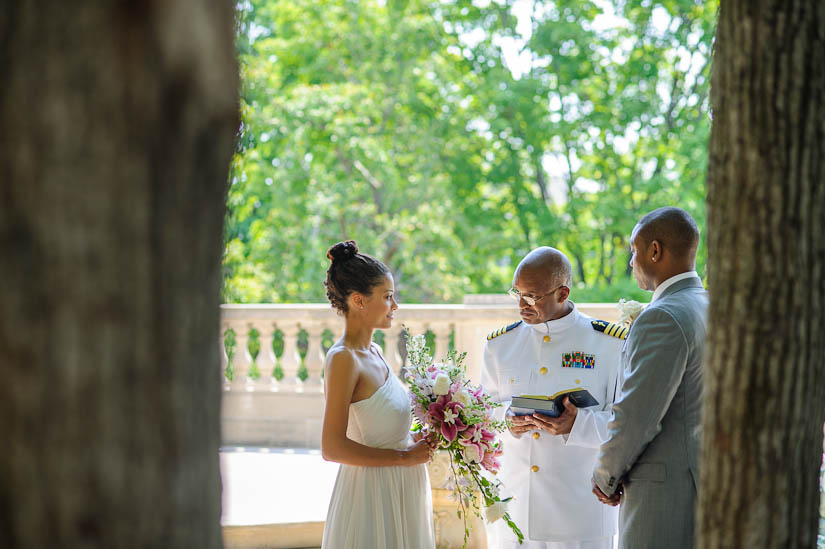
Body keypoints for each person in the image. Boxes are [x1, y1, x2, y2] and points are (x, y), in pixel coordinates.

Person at [481, 247, 626, 549]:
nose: (521, 304)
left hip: (579, 511)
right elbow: (483, 411)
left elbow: (626, 421)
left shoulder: (608, 344)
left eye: (532, 296)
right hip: (517, 507)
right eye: (516, 293)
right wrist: (506, 419)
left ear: (563, 293)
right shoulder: (501, 345)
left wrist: (577, 425)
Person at [591, 207, 708, 549]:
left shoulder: (663, 317)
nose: (631, 261)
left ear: (654, 251)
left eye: (633, 250)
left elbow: (636, 415)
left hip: (665, 495)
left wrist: (604, 477)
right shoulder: (708, 305)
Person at [320, 240, 436, 549]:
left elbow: (376, 427)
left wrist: (415, 440)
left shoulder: (374, 350)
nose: (395, 306)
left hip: (401, 489)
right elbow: (332, 448)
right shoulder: (344, 358)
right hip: (371, 497)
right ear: (359, 300)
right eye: (387, 297)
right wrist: (404, 457)